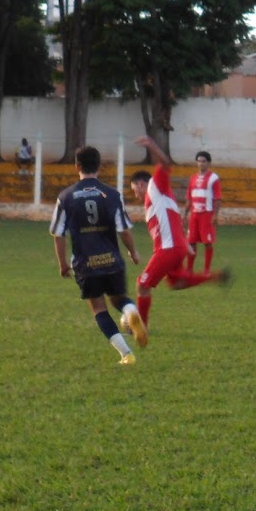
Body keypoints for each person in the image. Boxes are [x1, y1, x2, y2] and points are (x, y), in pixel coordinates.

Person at [50, 145, 147, 365]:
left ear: (77, 166)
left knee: (98, 309)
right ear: (100, 166)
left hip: (86, 264)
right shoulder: (112, 195)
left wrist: (63, 264)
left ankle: (126, 354)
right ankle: (131, 311)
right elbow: (123, 229)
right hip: (112, 260)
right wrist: (133, 252)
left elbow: (58, 234)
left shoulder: (65, 197)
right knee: (119, 298)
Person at [128, 135, 230, 328]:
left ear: (141, 184)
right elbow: (172, 223)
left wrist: (151, 145)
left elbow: (165, 163)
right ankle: (212, 277)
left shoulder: (154, 186)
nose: (136, 195)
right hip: (176, 247)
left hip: (168, 249)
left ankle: (141, 327)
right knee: (176, 283)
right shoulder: (162, 199)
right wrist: (185, 245)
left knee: (142, 285)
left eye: (135, 190)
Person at [184, 149, 222, 273]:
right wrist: (185, 214)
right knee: (191, 242)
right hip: (194, 215)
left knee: (207, 242)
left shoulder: (213, 178)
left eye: (204, 161)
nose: (201, 164)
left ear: (209, 163)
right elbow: (189, 197)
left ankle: (206, 270)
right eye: (199, 161)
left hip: (206, 214)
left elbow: (217, 198)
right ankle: (189, 269)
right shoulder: (193, 178)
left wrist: (215, 215)